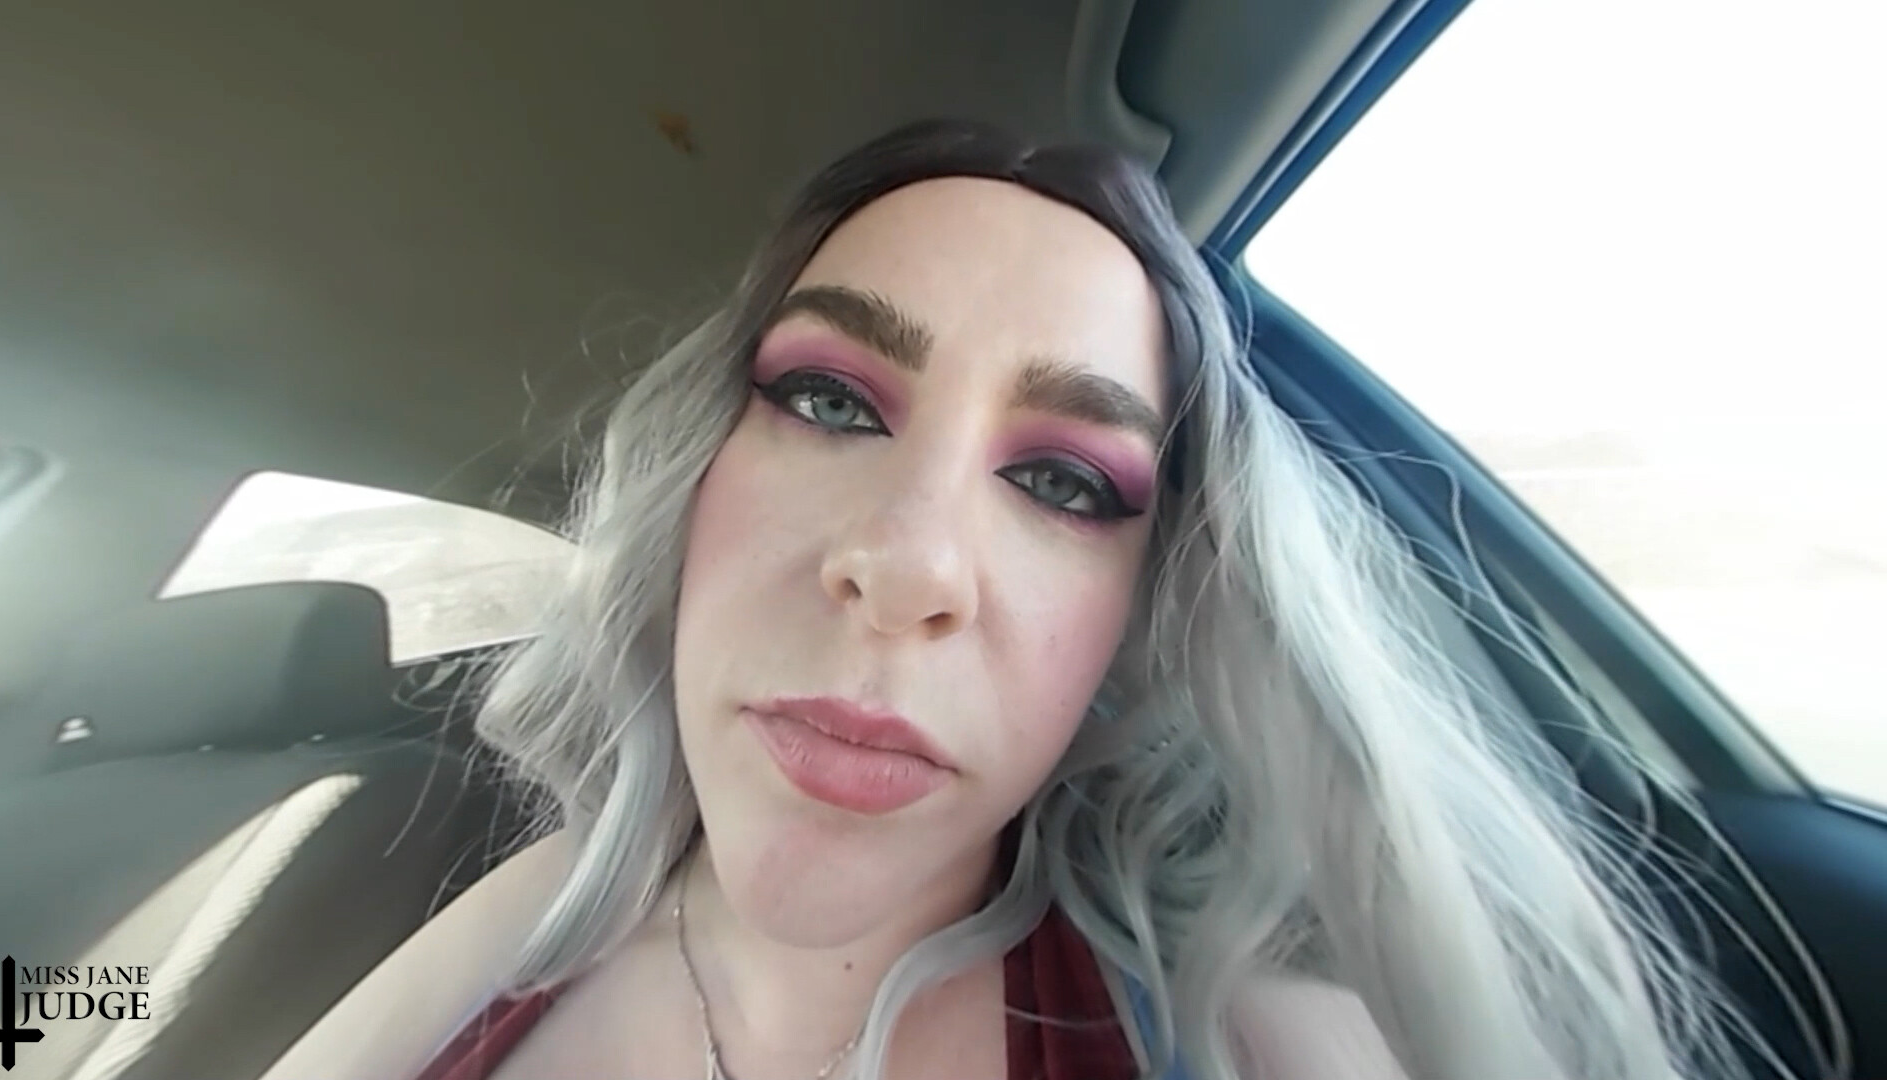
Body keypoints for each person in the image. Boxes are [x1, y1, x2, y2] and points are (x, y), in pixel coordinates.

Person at [262, 119, 1776, 1080]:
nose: (909, 567)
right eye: (829, 402)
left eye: (1063, 482)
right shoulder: (530, 921)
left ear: (1138, 618)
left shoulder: (1244, 1042)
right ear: (693, 480)